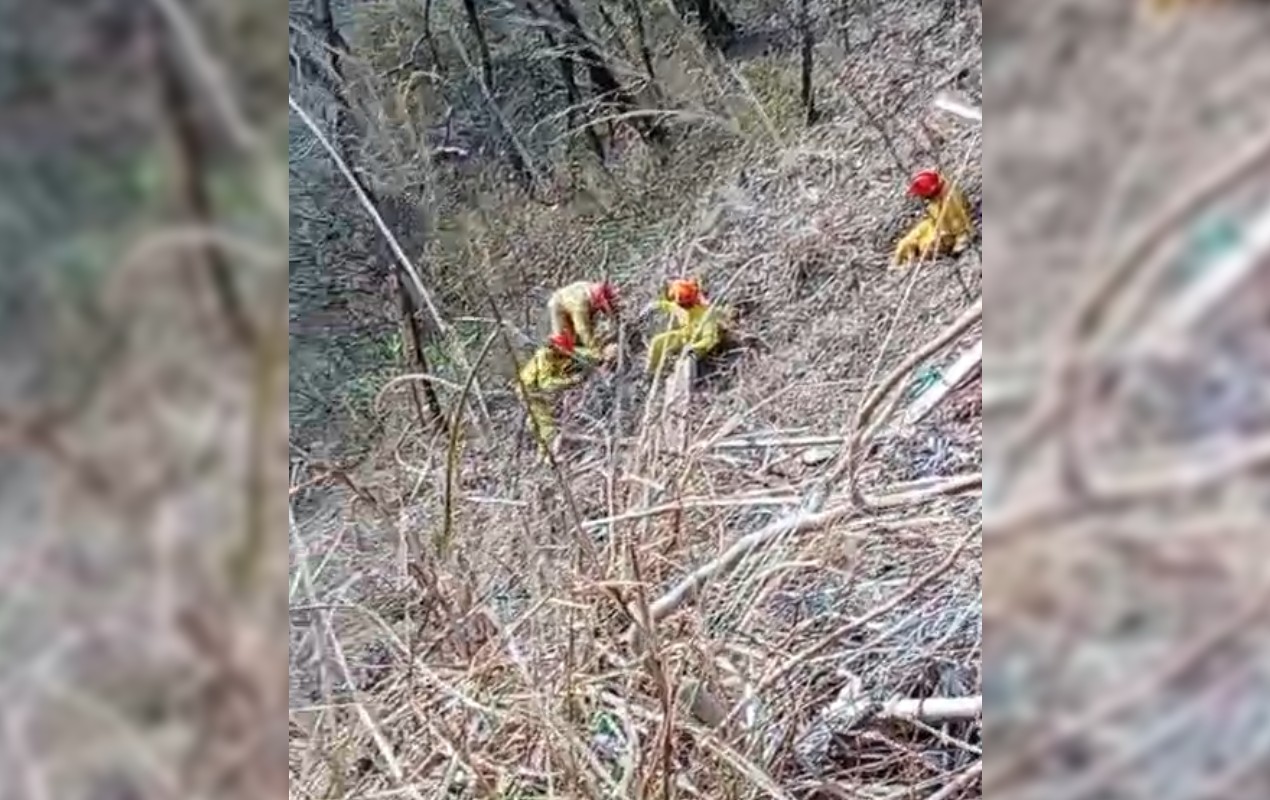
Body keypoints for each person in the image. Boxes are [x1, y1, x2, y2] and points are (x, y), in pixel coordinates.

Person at [516, 329, 589, 451]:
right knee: (547, 426)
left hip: (532, 390)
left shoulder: (556, 356)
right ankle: (548, 458)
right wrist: (571, 381)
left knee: (538, 421)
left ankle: (543, 451)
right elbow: (546, 383)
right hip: (529, 390)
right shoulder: (545, 355)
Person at [891, 169, 974, 268]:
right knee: (907, 241)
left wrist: (957, 249)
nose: (921, 197)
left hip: (945, 236)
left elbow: (962, 231)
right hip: (934, 225)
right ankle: (896, 263)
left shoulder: (949, 205)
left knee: (923, 246)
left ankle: (905, 264)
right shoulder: (941, 192)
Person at [645, 277, 729, 375]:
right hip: (684, 337)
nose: (684, 307)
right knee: (657, 342)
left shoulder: (706, 313)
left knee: (688, 360)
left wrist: (693, 348)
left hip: (699, 345)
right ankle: (650, 373)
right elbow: (668, 306)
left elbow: (710, 340)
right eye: (681, 304)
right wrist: (653, 306)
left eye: (686, 304)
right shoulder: (680, 307)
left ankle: (688, 382)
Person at [547, 280, 619, 354]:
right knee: (565, 342)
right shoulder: (581, 305)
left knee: (579, 336)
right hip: (558, 308)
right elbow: (582, 329)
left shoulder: (588, 288)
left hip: (567, 303)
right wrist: (599, 350)